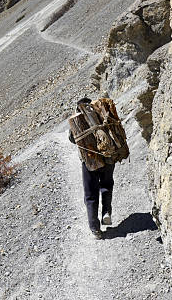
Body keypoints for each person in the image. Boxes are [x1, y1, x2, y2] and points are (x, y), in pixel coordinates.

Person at [68, 97, 115, 240]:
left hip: (89, 161)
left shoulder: (77, 120)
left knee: (90, 194)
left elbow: (72, 139)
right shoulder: (100, 114)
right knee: (106, 185)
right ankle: (106, 211)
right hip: (107, 157)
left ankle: (95, 229)